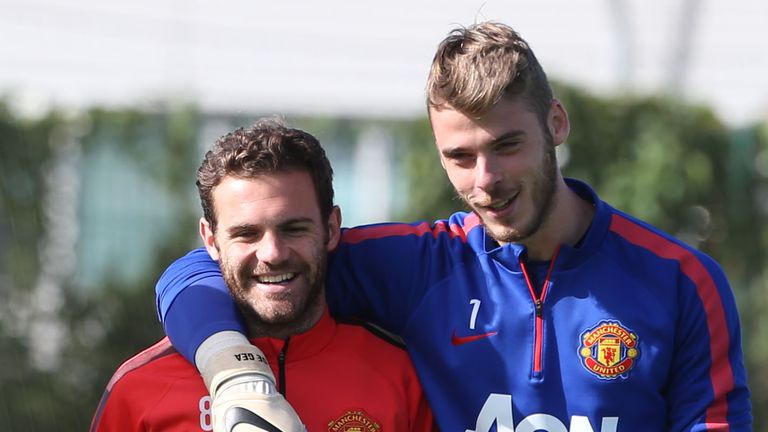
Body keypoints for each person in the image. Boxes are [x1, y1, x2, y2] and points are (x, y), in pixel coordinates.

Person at [154, 22, 752, 431]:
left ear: (557, 124)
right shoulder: (419, 267)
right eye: (460, 157)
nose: (485, 178)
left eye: (507, 145)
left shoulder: (679, 282)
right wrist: (235, 371)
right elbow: (206, 271)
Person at [90, 121, 435, 432]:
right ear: (211, 240)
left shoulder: (402, 374)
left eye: (294, 229)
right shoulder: (140, 389)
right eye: (247, 234)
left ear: (331, 228)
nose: (273, 253)